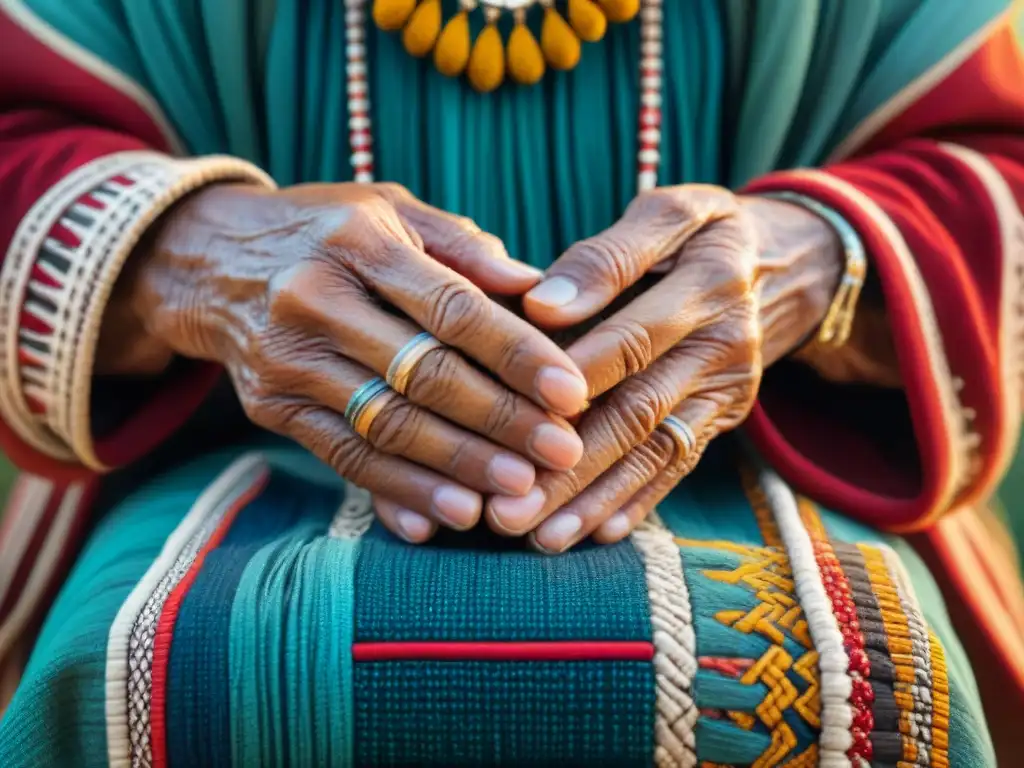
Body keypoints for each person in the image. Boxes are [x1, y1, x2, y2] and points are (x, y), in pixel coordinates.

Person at [0, 0, 1022, 764]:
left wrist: (820, 260)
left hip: (766, 447)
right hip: (208, 445)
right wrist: (187, 255)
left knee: (883, 691)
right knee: (133, 678)